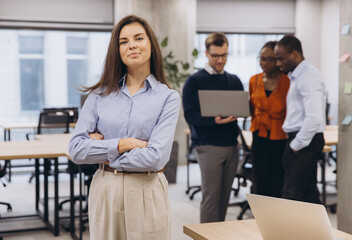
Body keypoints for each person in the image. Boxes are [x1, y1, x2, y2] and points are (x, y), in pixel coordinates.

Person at [68, 15, 181, 240]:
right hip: (105, 189)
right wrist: (122, 144)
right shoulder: (99, 95)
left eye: (139, 38)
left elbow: (156, 158)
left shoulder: (168, 97)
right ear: (117, 50)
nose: (132, 45)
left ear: (151, 45)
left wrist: (105, 153)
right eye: (123, 41)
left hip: (146, 189)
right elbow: (76, 150)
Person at [182, 32, 244, 223]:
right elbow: (190, 115)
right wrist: (213, 121)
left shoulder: (234, 80)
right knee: (211, 198)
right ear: (207, 54)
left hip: (232, 146)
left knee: (224, 198)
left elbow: (241, 107)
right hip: (208, 146)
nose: (220, 60)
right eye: (215, 55)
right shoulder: (195, 81)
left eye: (224, 55)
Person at [274, 35, 327, 204]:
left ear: (295, 55)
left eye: (281, 59)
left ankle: (286, 232)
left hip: (305, 141)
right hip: (302, 140)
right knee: (308, 193)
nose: (278, 63)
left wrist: (296, 145)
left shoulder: (308, 76)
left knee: (291, 195)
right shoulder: (298, 76)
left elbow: (314, 117)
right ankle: (318, 231)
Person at [249, 41, 290, 198]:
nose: (264, 63)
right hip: (259, 136)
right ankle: (259, 219)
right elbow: (252, 109)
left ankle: (277, 221)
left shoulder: (288, 81)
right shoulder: (254, 80)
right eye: (261, 58)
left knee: (277, 182)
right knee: (260, 181)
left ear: (278, 61)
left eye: (269, 59)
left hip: (280, 137)